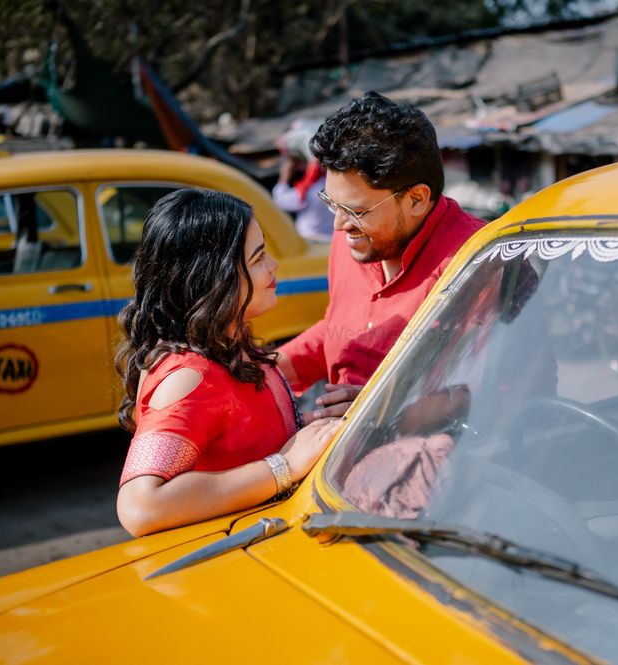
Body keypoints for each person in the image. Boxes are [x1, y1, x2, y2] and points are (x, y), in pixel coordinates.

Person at [116, 189, 341, 537]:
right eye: (258, 257)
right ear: (213, 279)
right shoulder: (188, 375)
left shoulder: (227, 346)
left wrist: (319, 426)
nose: (273, 265)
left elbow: (242, 438)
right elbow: (141, 506)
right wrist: (286, 466)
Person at [277, 91, 484, 419]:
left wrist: (388, 408)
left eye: (355, 210)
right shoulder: (351, 236)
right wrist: (271, 371)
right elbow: (338, 328)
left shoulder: (481, 264)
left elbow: (509, 388)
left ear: (416, 199)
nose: (339, 223)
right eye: (331, 203)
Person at [271, 119, 335, 242]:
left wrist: (284, 177)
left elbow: (280, 200)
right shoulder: (334, 180)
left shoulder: (309, 188)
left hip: (313, 241)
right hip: (332, 239)